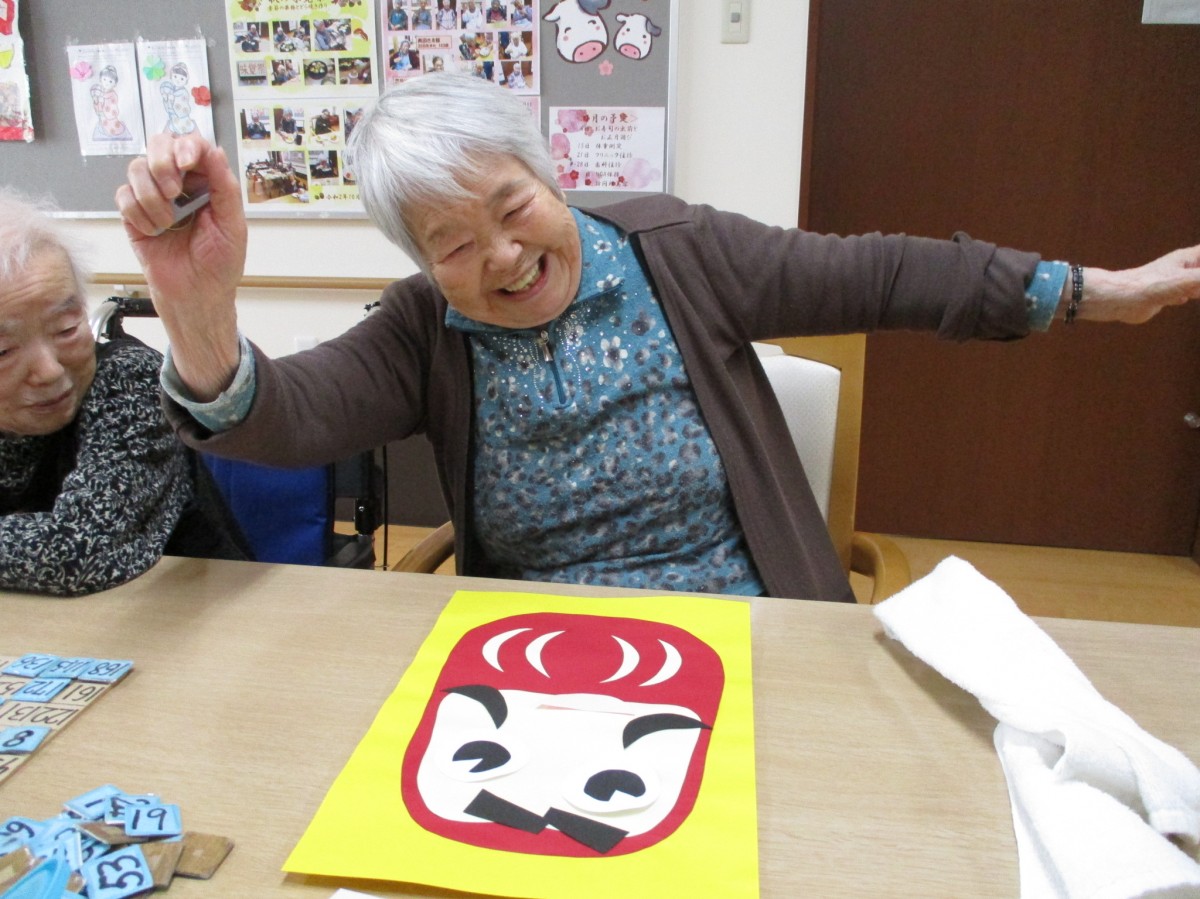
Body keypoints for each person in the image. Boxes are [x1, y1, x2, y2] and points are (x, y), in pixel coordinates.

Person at [115, 75, 1200, 603]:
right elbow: (284, 418)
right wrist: (198, 306)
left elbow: (885, 271)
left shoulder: (680, 252)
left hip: (750, 635)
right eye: (454, 244)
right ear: (421, 262)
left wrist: (1089, 292)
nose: (502, 255)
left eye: (512, 206)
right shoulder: (419, 330)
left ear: (549, 174)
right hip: (540, 661)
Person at [0, 190, 250, 597]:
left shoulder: (129, 380)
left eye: (66, 329)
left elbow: (75, 553)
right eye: (4, 351)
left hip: (189, 610)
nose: (49, 371)